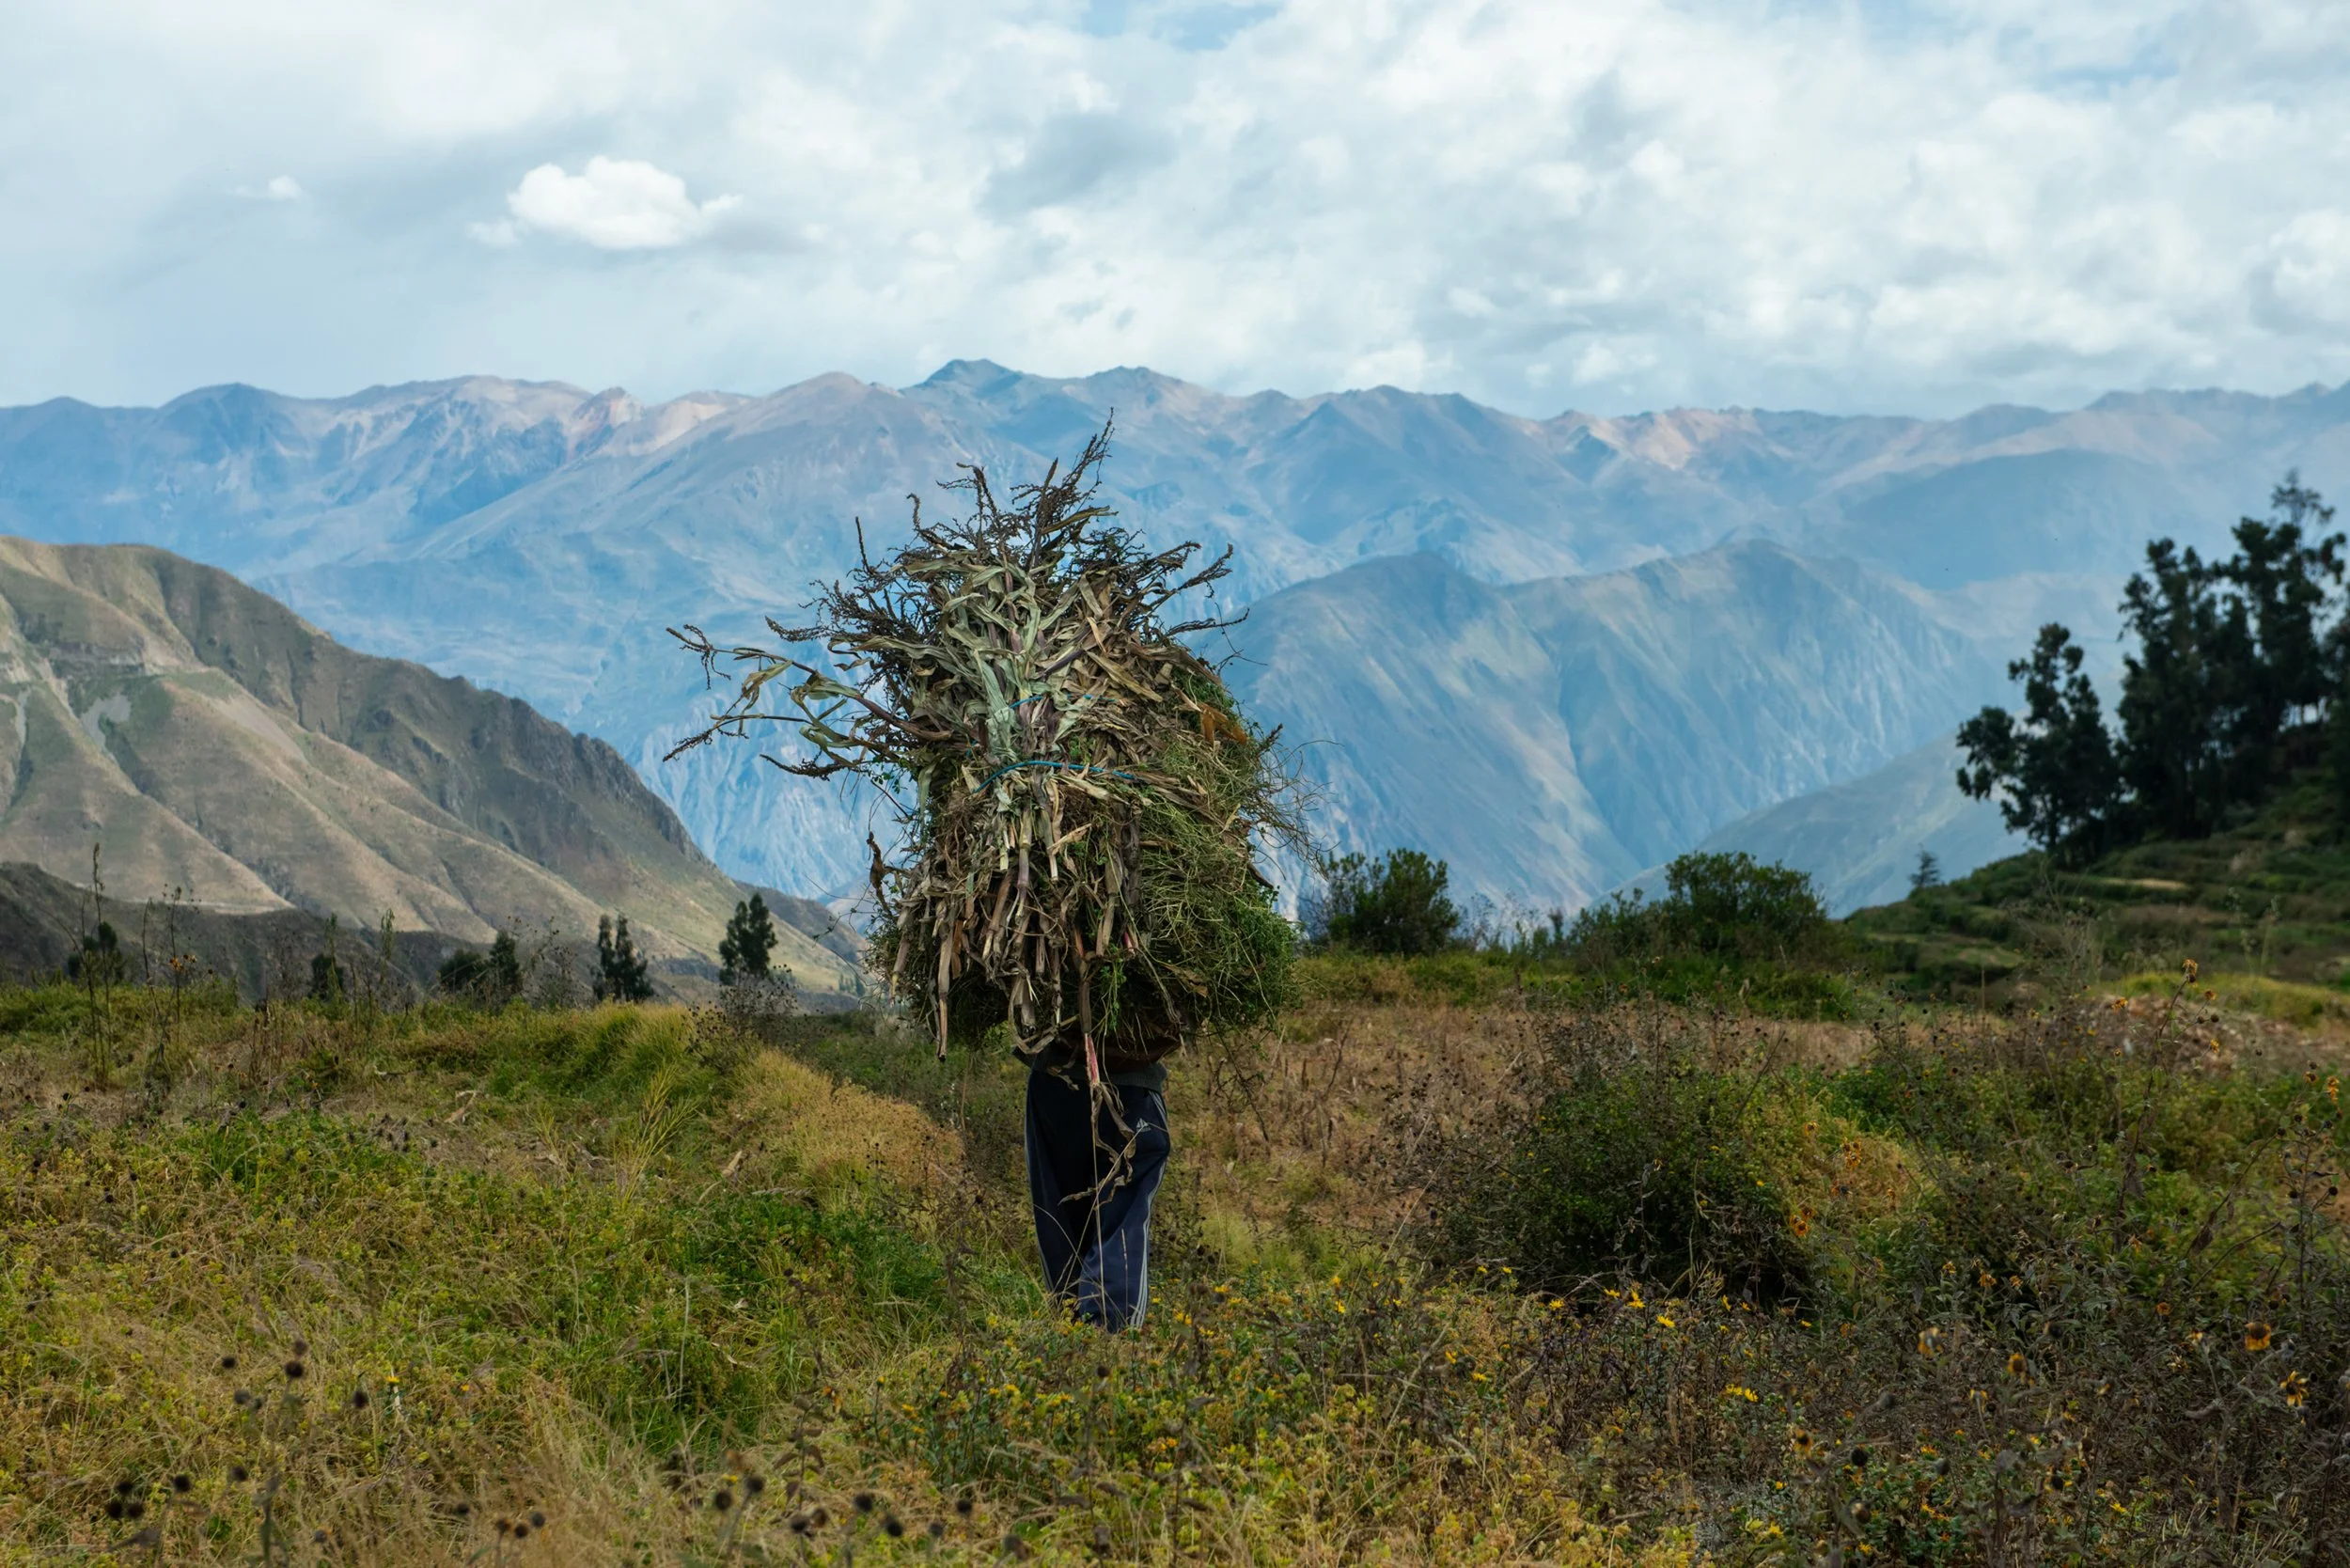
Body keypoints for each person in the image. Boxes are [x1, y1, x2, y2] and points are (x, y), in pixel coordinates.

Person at [1023, 1041, 1170, 1331]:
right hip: (1129, 1088)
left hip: (1054, 1084)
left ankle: (1071, 1326)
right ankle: (1107, 1333)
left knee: (1059, 1211)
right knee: (1125, 1212)